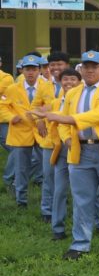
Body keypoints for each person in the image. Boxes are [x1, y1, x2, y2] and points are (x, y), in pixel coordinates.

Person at [34, 51, 99, 259]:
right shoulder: (72, 93)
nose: (90, 70)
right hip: (80, 151)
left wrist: (65, 119)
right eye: (86, 66)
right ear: (80, 69)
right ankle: (80, 244)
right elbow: (62, 121)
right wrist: (67, 138)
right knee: (81, 199)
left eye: (94, 66)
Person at [1, 54, 53, 210]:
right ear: (22, 70)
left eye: (34, 69)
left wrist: (40, 120)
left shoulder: (46, 86)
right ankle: (21, 200)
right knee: (21, 167)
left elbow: (51, 105)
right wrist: (11, 117)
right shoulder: (12, 88)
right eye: (27, 69)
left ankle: (48, 199)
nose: (30, 73)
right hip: (20, 132)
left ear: (39, 70)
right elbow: (2, 106)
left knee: (46, 165)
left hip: (42, 131)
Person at [47, 68, 82, 240]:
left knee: (86, 190)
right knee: (60, 190)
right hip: (62, 150)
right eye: (65, 79)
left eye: (73, 79)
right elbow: (54, 122)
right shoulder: (56, 102)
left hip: (81, 149)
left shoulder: (84, 100)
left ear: (79, 82)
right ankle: (58, 228)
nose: (69, 82)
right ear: (60, 82)